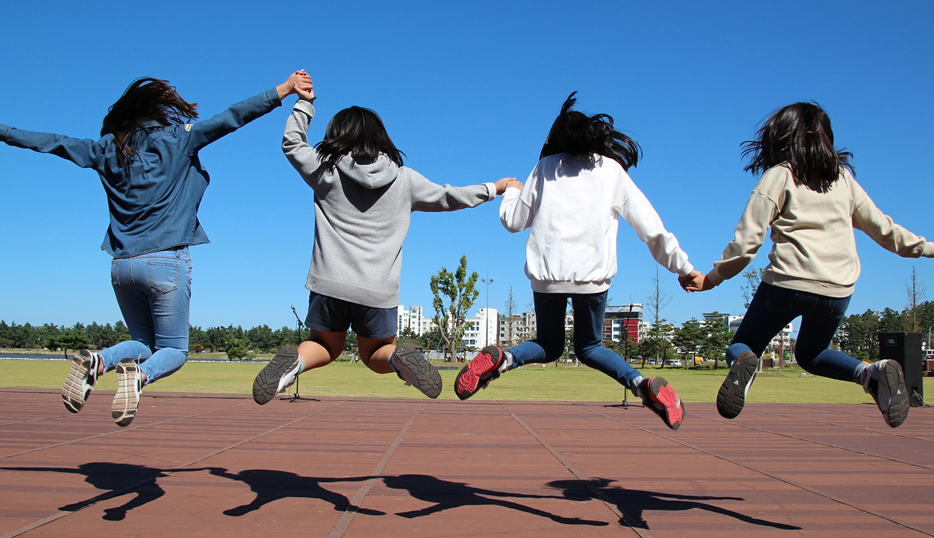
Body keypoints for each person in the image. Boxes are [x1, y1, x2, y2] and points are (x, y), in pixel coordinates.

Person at [0, 71, 312, 426]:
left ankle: (100, 361)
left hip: (121, 266)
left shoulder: (105, 149)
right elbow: (231, 118)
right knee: (174, 351)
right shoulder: (178, 138)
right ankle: (139, 376)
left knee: (144, 344)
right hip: (166, 261)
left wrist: (4, 131)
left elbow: (52, 142)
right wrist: (284, 90)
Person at [251, 76, 516, 404]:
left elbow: (292, 143)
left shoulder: (326, 171)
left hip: (328, 284)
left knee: (325, 346)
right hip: (378, 290)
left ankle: (294, 363)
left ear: (336, 136)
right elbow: (450, 196)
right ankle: (397, 359)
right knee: (375, 353)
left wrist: (304, 103)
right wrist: (493, 188)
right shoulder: (405, 180)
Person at [454, 92, 698, 430]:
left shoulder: (545, 169)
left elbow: (513, 221)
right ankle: (642, 385)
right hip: (592, 280)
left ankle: (503, 359)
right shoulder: (611, 172)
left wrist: (511, 190)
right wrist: (683, 268)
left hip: (547, 278)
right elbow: (651, 228)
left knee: (548, 344)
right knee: (590, 347)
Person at [681, 102, 931, 428]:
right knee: (811, 354)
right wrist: (928, 248)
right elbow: (887, 232)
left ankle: (745, 363)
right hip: (837, 290)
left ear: (779, 138)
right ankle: (870, 372)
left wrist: (712, 279)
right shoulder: (842, 180)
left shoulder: (779, 175)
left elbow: (746, 244)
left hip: (786, 284)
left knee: (743, 346)